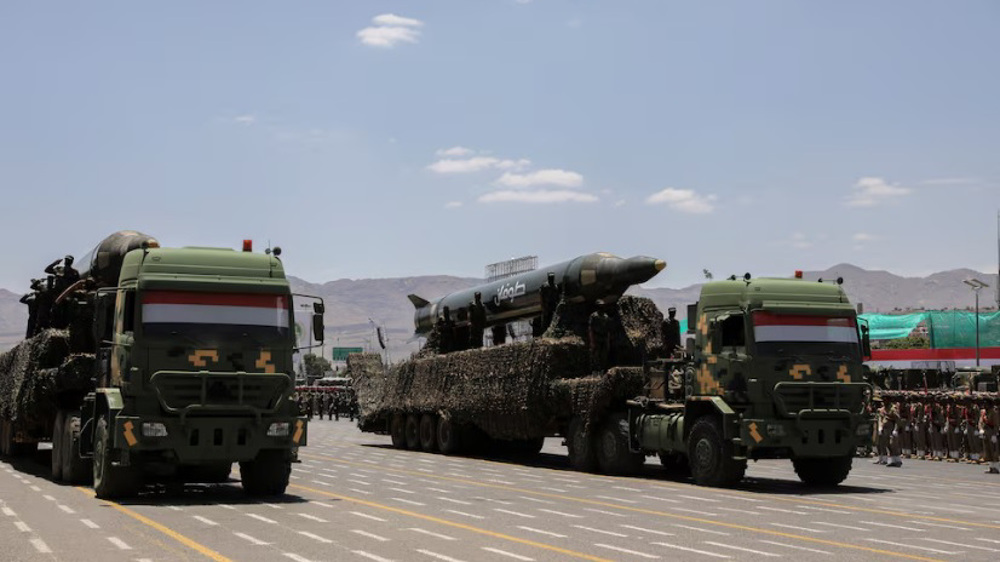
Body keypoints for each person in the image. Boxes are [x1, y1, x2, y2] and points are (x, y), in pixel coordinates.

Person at [588, 302, 612, 372]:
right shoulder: (594, 316)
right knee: (595, 355)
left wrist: (608, 341)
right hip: (596, 337)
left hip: (604, 337)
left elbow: (608, 330)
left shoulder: (606, 316)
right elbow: (590, 328)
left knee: (604, 355)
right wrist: (592, 341)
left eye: (603, 306)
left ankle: (602, 370)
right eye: (600, 306)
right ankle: (594, 371)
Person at [980, 399, 999, 474]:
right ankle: (991, 467)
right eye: (984, 404)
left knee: (993, 450)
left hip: (992, 432)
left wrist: (995, 434)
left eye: (986, 404)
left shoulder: (994, 412)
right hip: (985, 431)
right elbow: (980, 422)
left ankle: (996, 467)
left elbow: (996, 424)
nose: (984, 405)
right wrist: (981, 429)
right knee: (987, 449)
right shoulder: (983, 412)